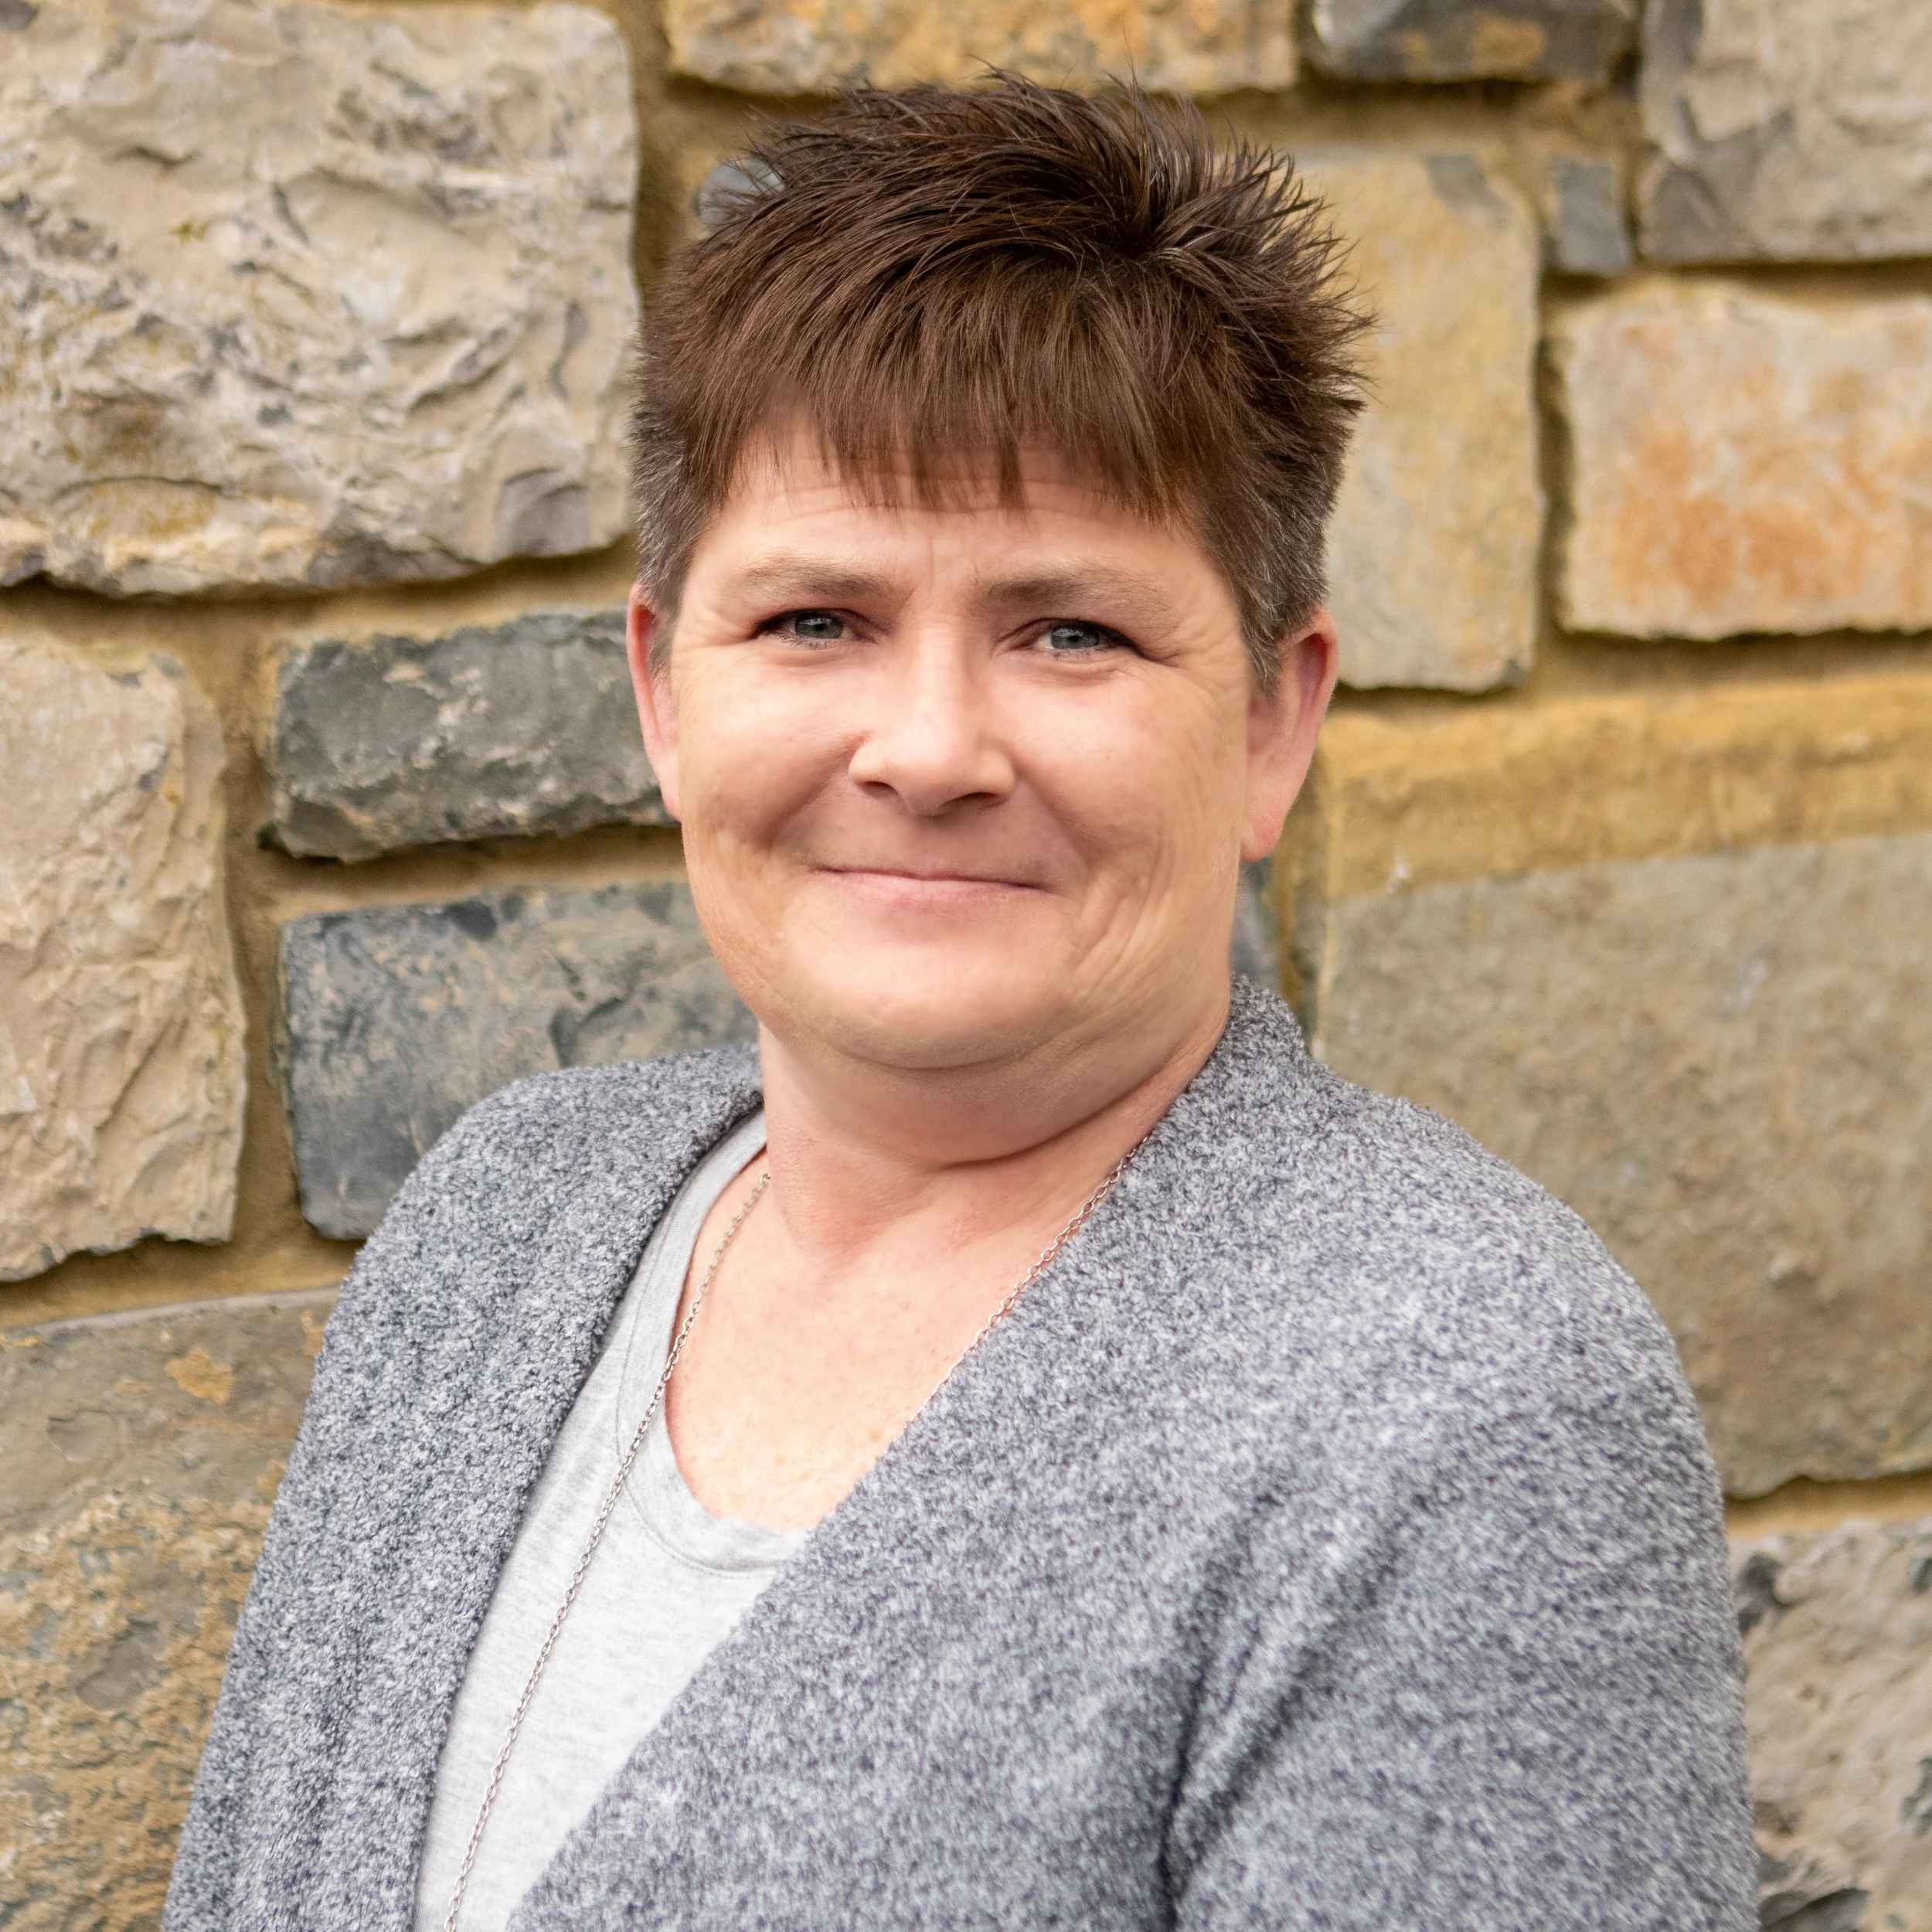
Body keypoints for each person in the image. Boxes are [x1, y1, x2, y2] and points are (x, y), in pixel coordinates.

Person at [165, 80, 1755, 1932]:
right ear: (664, 694)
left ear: (1268, 721)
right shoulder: (498, 1225)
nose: (925, 750)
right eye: (813, 620)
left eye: (1067, 627)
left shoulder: (1460, 1410)